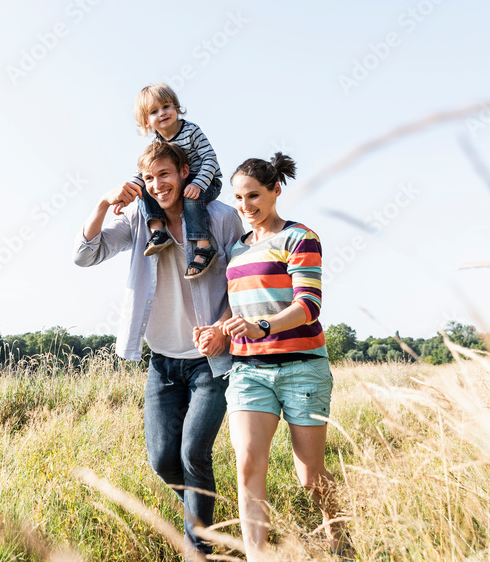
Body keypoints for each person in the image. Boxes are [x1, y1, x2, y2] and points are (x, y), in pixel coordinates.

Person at [73, 141, 242, 558]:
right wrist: (101, 203)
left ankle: (200, 550)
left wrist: (224, 328)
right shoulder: (139, 218)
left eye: (164, 174)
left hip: (211, 361)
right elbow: (85, 255)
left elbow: (247, 281)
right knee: (163, 458)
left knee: (192, 453)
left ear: (184, 172)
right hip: (163, 362)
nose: (157, 184)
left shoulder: (220, 218)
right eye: (149, 177)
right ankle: (210, 528)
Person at [196, 153, 346, 560]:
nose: (246, 207)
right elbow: (236, 308)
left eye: (254, 196)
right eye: (239, 198)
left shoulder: (300, 238)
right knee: (247, 467)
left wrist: (262, 326)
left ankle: (343, 544)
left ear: (276, 190)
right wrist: (217, 331)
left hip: (302, 369)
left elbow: (308, 307)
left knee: (310, 477)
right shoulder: (234, 251)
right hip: (248, 372)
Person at [110, 83, 223, 279]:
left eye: (166, 106)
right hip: (181, 181)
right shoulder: (157, 144)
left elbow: (210, 158)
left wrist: (198, 184)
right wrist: (128, 192)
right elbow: (142, 173)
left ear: (176, 107)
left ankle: (204, 247)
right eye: (154, 111)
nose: (162, 113)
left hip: (206, 180)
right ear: (147, 122)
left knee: (190, 198)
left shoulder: (191, 131)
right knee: (147, 188)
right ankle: (158, 231)